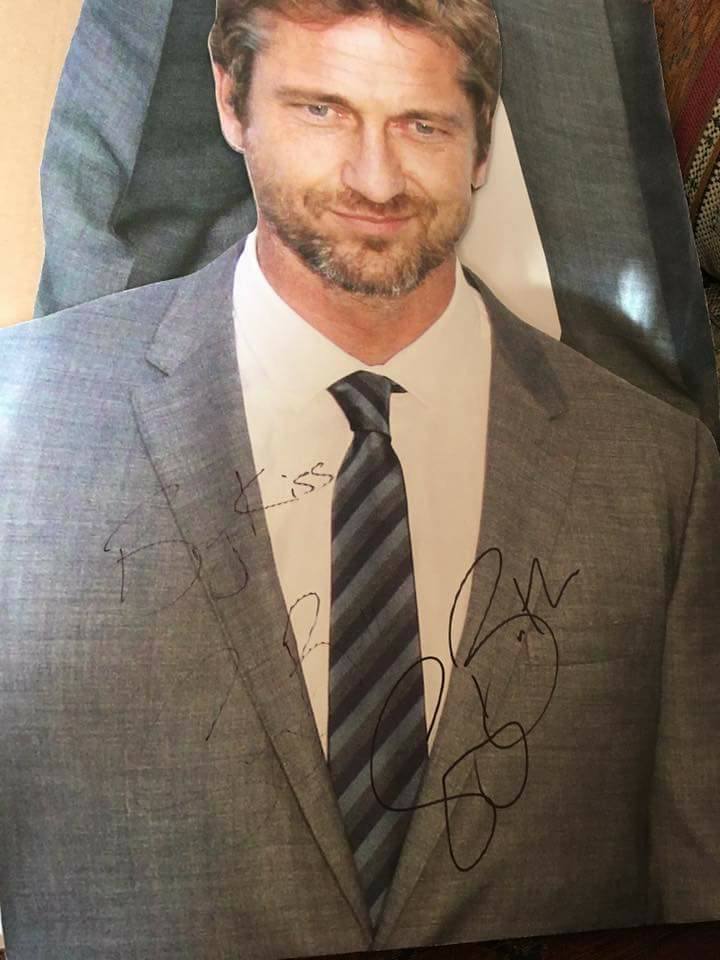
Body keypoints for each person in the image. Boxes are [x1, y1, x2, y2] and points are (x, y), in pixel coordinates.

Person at [1, 2, 719, 958]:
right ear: (231, 101)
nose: (376, 180)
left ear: (482, 139)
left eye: (422, 124)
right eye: (321, 111)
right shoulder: (21, 423)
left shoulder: (658, 468)